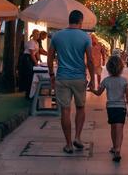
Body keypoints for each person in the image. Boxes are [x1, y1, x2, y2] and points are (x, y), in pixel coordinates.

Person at [48, 10, 94, 154]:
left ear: (69, 20)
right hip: (79, 78)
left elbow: (50, 58)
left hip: (62, 78)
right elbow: (90, 60)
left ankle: (68, 144)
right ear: (80, 21)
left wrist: (51, 76)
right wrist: (92, 78)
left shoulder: (57, 36)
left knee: (65, 111)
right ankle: (78, 138)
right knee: (80, 108)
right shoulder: (85, 37)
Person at [90, 55, 128, 162]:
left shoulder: (106, 80)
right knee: (120, 129)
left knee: (113, 128)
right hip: (121, 108)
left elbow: (99, 93)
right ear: (121, 67)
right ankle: (118, 149)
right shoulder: (124, 81)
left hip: (111, 108)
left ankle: (114, 147)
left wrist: (92, 90)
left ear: (108, 68)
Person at [19, 29, 40, 95]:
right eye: (36, 34)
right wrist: (36, 62)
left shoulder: (37, 43)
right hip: (27, 58)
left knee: (32, 75)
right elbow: (31, 53)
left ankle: (32, 92)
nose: (37, 35)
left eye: (38, 34)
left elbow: (36, 52)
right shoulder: (31, 42)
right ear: (33, 34)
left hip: (31, 58)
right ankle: (28, 93)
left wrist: (39, 59)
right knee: (29, 75)